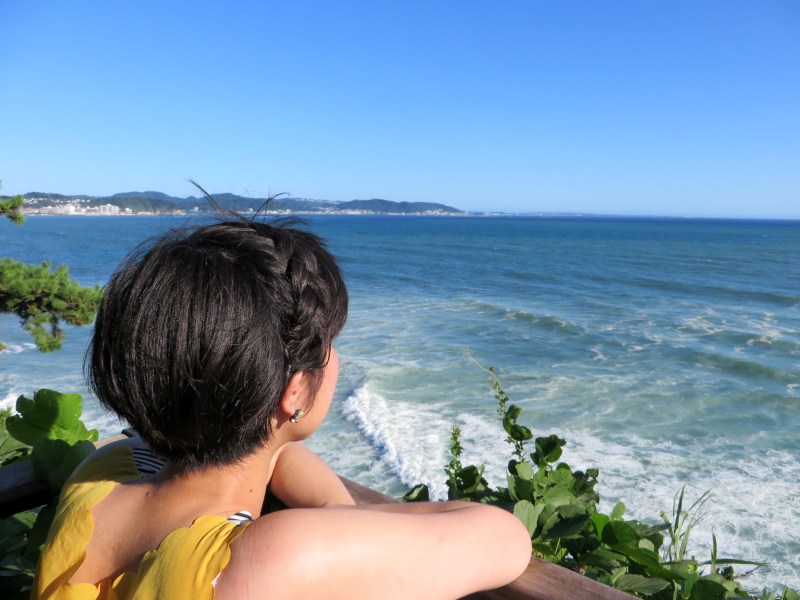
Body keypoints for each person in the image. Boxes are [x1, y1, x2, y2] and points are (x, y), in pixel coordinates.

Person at [32, 215, 532, 599]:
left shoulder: (101, 475)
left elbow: (260, 450)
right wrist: (338, 520)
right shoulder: (264, 562)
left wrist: (334, 512)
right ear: (293, 391)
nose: (335, 358)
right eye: (329, 344)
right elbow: (505, 537)